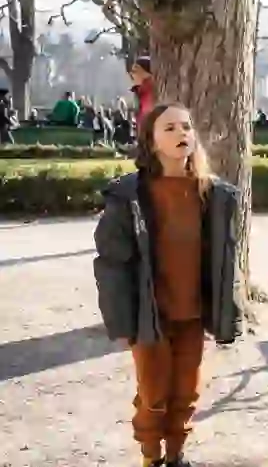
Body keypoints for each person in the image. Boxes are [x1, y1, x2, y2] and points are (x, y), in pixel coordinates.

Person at [92, 103, 241, 467]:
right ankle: (150, 456)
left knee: (186, 392)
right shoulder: (129, 196)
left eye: (186, 126)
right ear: (151, 140)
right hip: (149, 314)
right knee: (154, 392)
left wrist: (227, 312)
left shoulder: (215, 194)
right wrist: (121, 318)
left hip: (192, 313)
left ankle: (176, 456)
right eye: (170, 128)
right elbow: (112, 263)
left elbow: (225, 262)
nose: (181, 134)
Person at [130, 57, 155, 127]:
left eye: (135, 70)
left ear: (147, 73)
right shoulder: (141, 92)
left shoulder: (150, 93)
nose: (131, 74)